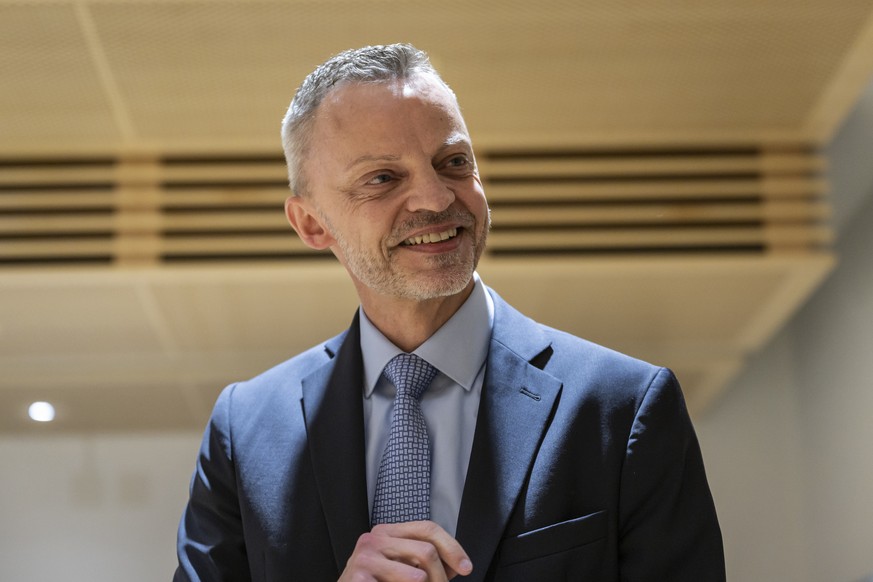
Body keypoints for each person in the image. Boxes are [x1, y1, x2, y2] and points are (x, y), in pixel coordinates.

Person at [174, 43, 725, 581]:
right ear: (312, 224)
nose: (437, 199)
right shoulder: (243, 430)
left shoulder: (624, 408)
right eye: (383, 178)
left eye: (453, 162)